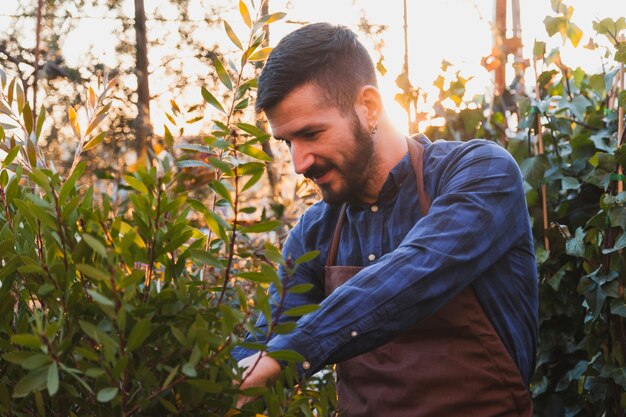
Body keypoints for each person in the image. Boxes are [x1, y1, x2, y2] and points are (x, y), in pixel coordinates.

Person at [233, 22, 538, 416]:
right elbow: (267, 337)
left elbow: (417, 270)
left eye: (312, 133)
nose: (298, 163)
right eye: (287, 142)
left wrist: (289, 355)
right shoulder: (315, 233)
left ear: (369, 107)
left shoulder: (478, 173)